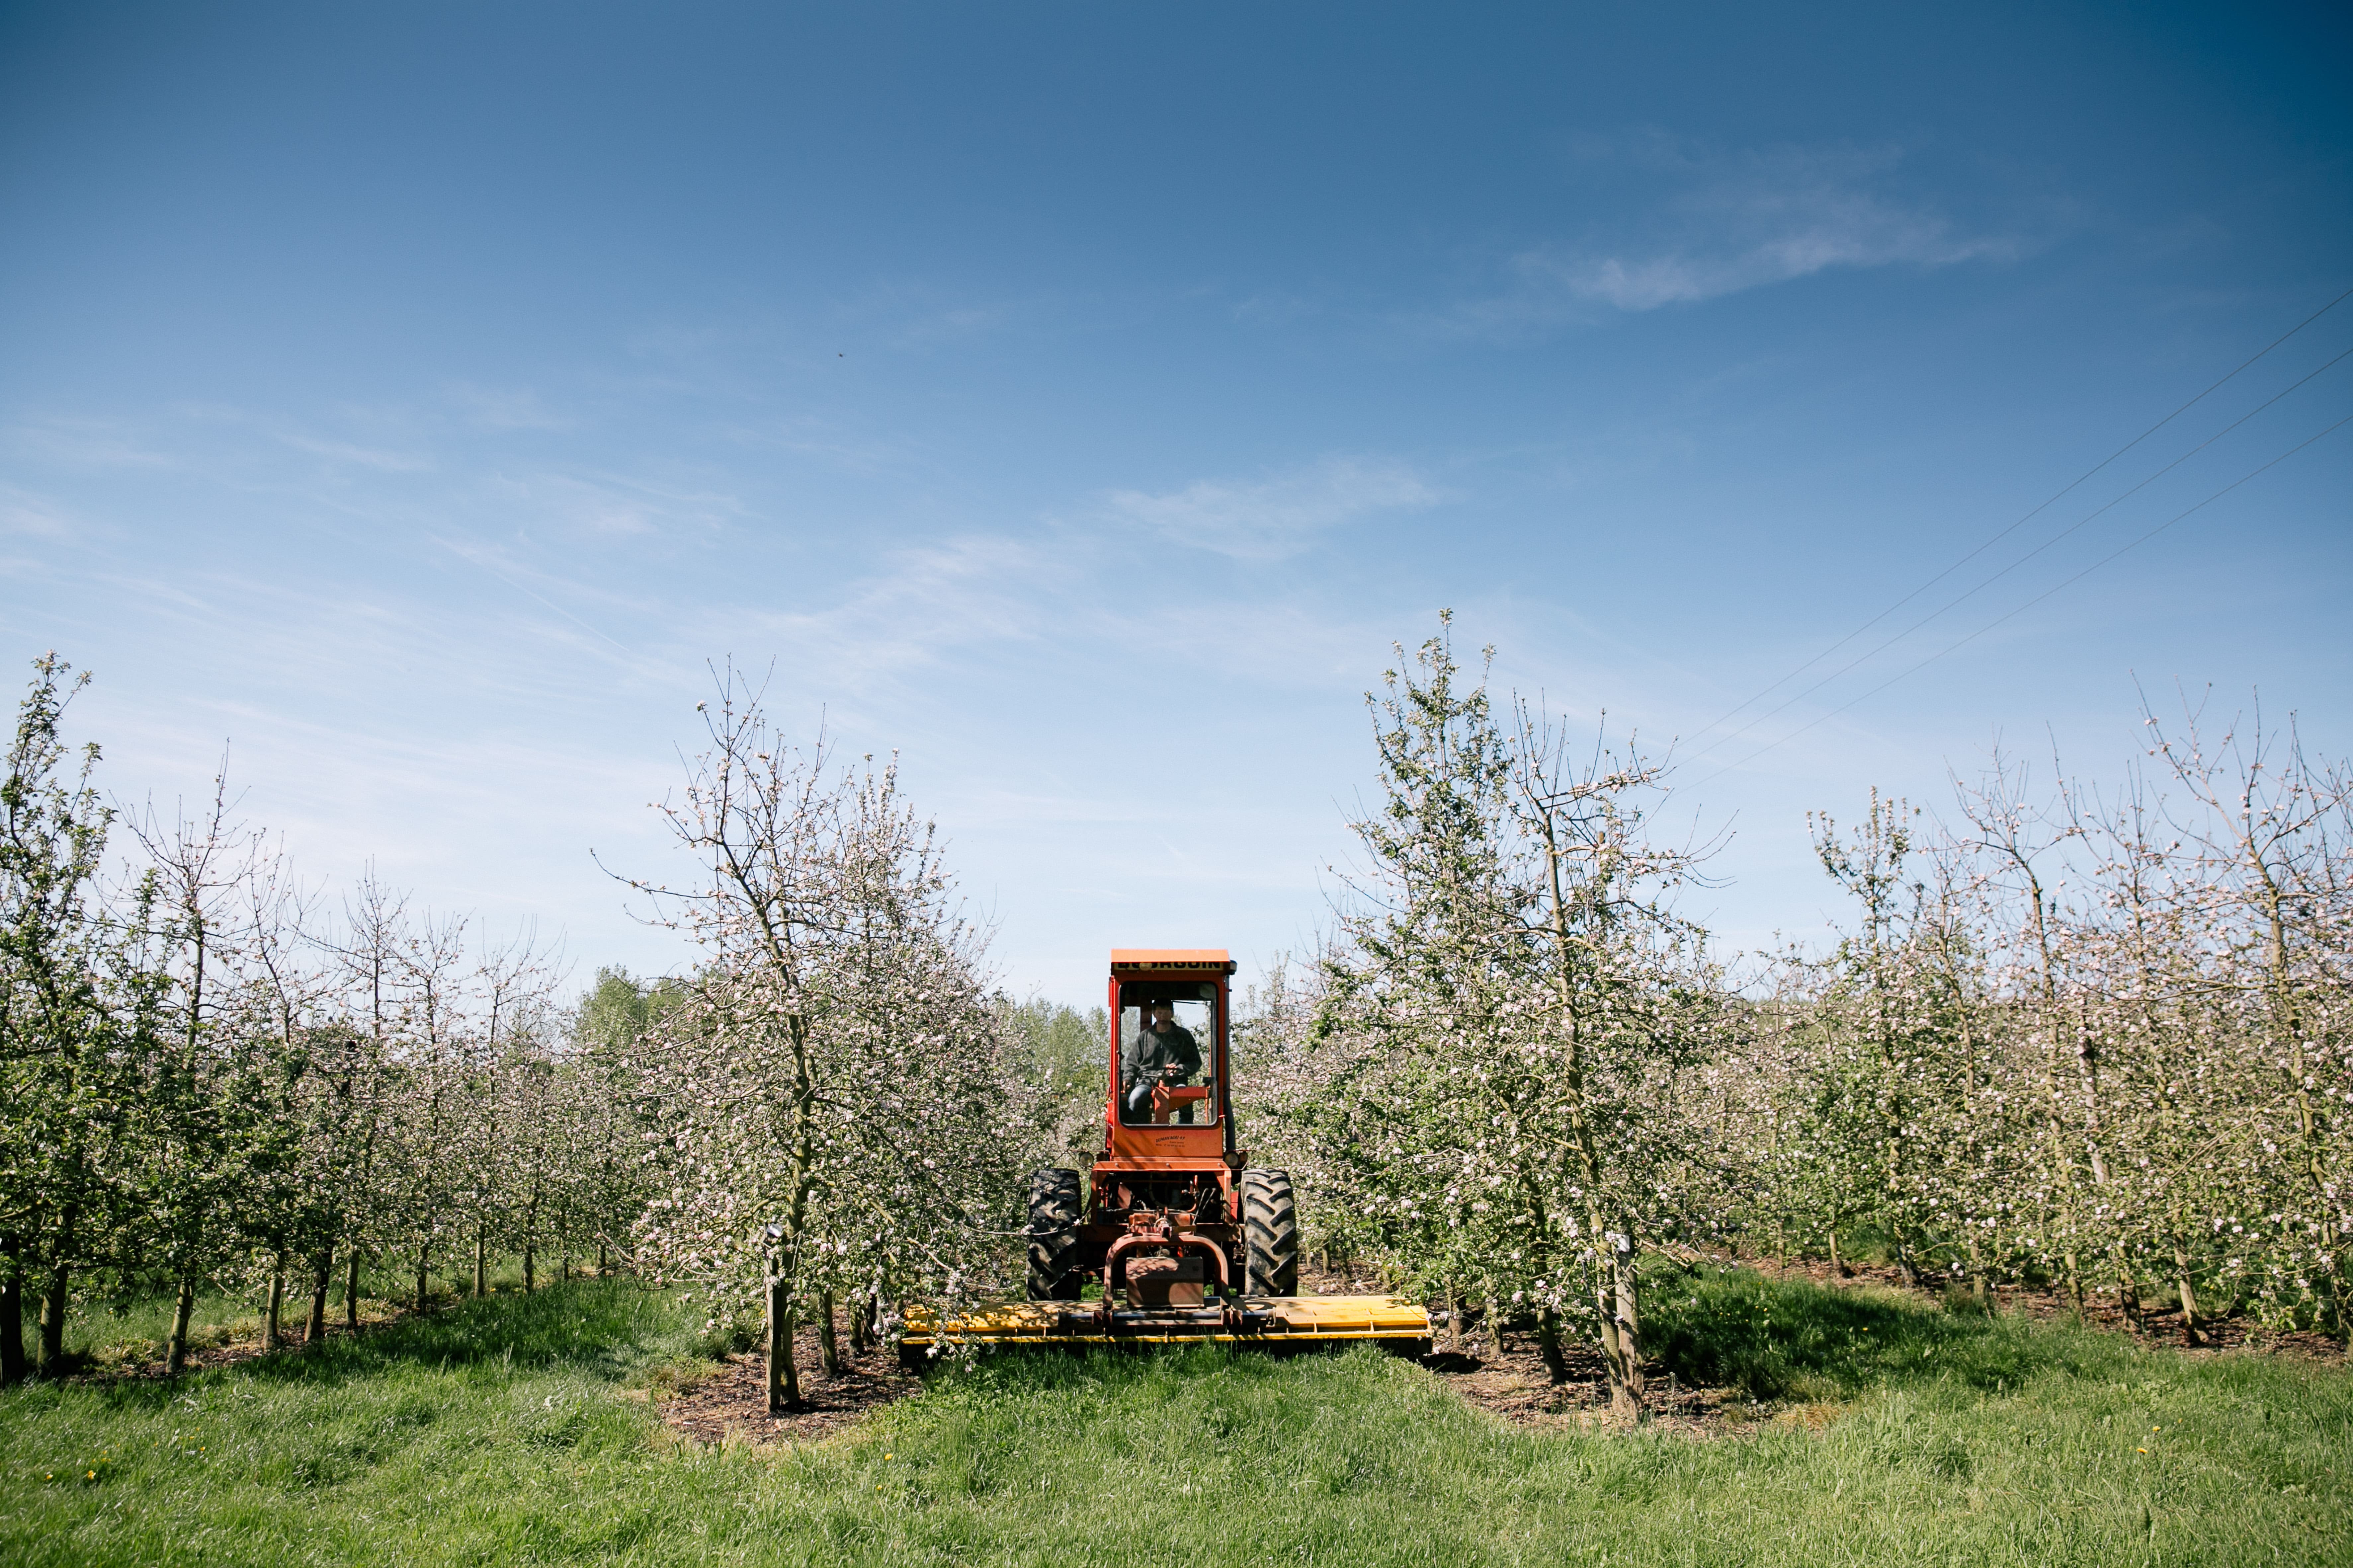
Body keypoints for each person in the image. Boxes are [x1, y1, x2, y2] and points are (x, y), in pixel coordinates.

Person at [1121, 1001, 1203, 1123]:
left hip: (1176, 1081)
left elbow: (1195, 1062)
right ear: (1154, 1014)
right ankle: (1140, 1133)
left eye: (1166, 1013)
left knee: (1186, 1099)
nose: (1163, 1016)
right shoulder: (1145, 1037)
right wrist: (1128, 1078)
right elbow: (1133, 1063)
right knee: (1135, 1099)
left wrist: (1179, 1069)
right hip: (1147, 1082)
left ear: (1172, 1014)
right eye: (1160, 1012)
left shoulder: (1184, 1036)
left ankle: (1185, 1133)